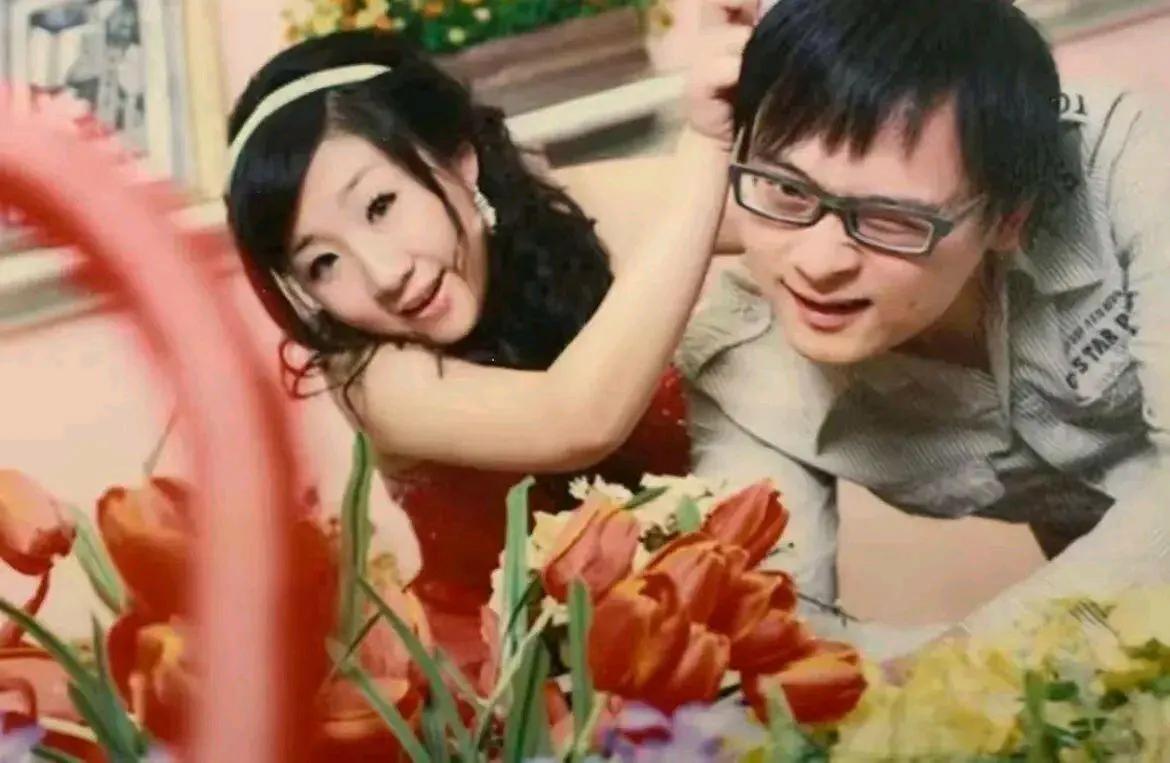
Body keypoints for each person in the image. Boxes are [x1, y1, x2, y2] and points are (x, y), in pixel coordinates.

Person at [223, 27, 743, 672]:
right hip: (517, 690)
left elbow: (786, 207)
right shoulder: (371, 378)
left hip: (700, 634)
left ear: (458, 160)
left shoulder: (571, 211)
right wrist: (706, 145)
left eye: (380, 205)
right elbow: (576, 420)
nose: (382, 273)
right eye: (323, 262)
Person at [679, 0, 1170, 659]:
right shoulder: (743, 369)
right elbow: (778, 636)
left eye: (891, 220)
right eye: (788, 191)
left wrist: (952, 663)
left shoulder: (1128, 168)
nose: (819, 264)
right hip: (1108, 629)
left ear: (1009, 217)